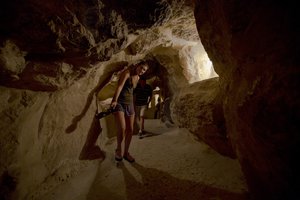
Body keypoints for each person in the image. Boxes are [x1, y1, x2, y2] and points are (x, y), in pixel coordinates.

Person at [110, 61, 149, 163]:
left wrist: (133, 105)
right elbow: (119, 86)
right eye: (141, 68)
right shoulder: (127, 73)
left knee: (130, 130)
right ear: (137, 66)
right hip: (120, 103)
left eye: (144, 70)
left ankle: (126, 153)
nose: (142, 71)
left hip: (130, 105)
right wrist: (114, 100)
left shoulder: (138, 78)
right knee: (122, 128)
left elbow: (131, 92)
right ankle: (119, 149)